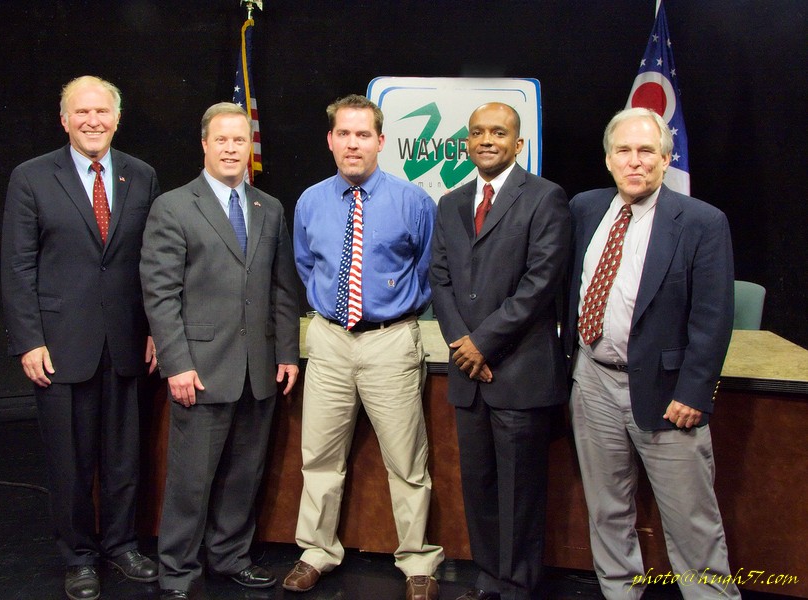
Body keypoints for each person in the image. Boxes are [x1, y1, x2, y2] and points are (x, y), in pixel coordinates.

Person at [565, 107, 739, 599]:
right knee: (607, 510)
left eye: (646, 151)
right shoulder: (584, 208)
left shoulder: (702, 221)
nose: (634, 161)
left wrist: (695, 393)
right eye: (623, 150)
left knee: (692, 522)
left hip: (667, 394)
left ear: (665, 159)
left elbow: (713, 317)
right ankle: (619, 591)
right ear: (608, 159)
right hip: (592, 380)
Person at [1, 75, 161, 600]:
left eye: (102, 112)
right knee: (70, 463)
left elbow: (153, 262)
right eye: (82, 112)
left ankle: (121, 545)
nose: (93, 121)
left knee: (124, 458)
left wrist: (155, 330)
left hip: (127, 342)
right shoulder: (31, 177)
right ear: (64, 120)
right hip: (59, 345)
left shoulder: (142, 175)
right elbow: (17, 266)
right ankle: (78, 557)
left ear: (117, 119)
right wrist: (29, 340)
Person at [285, 94, 444, 600]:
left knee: (406, 461)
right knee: (319, 456)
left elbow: (428, 270)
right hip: (329, 341)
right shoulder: (310, 201)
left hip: (390, 341)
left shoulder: (414, 202)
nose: (353, 144)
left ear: (380, 140)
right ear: (330, 141)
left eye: (363, 134)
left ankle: (417, 561)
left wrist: (393, 307)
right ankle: (316, 551)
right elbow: (306, 265)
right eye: (344, 134)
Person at [140, 102, 300, 600]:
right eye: (222, 140)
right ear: (205, 144)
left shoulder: (269, 207)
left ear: (249, 148)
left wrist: (287, 353)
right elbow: (160, 294)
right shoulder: (173, 207)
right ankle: (178, 572)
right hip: (201, 369)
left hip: (259, 368)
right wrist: (177, 364)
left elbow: (282, 288)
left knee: (244, 474)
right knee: (191, 480)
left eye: (239, 141)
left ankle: (230, 557)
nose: (232, 149)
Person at [429, 103, 571, 600]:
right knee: (480, 488)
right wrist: (462, 346)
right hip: (469, 375)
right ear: (466, 143)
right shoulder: (451, 202)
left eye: (498, 132)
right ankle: (489, 581)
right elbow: (440, 279)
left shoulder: (545, 198)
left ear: (518, 143)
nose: (487, 139)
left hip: (518, 372)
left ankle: (515, 588)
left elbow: (540, 283)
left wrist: (482, 344)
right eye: (477, 132)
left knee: (519, 495)